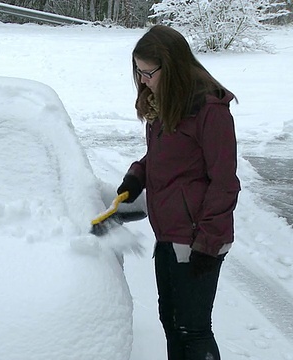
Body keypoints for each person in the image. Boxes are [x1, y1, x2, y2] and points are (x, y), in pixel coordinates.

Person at [116, 25, 241, 360]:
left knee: (193, 329)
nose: (143, 80)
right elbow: (165, 157)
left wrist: (209, 243)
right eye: (138, 71)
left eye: (148, 72)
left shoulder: (209, 110)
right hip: (170, 234)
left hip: (198, 237)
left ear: (171, 66)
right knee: (171, 321)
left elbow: (225, 180)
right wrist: (136, 177)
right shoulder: (164, 104)